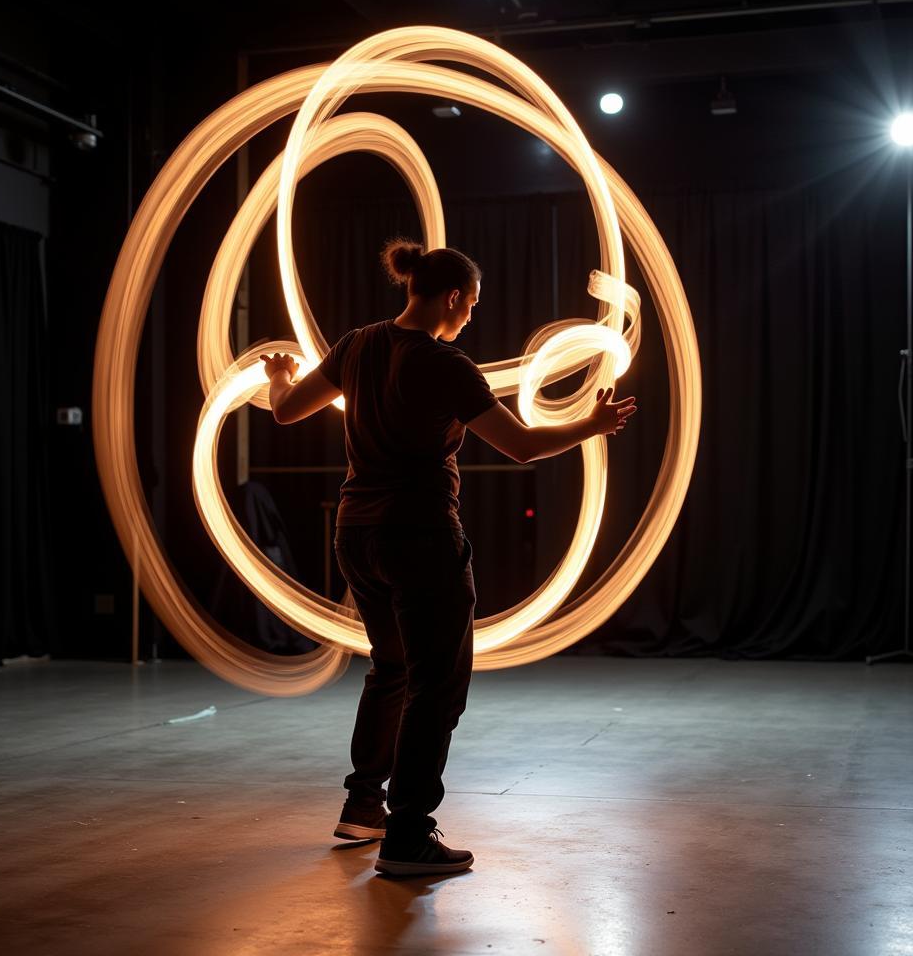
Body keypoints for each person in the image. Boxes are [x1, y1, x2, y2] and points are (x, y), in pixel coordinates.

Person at [260, 238, 636, 877]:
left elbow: (287, 411)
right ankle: (407, 835)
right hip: (421, 534)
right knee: (437, 684)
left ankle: (363, 807)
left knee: (393, 669)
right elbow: (519, 445)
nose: (471, 318)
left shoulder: (356, 344)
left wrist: (277, 378)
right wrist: (589, 427)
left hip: (357, 534)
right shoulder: (445, 364)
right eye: (472, 305)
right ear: (454, 298)